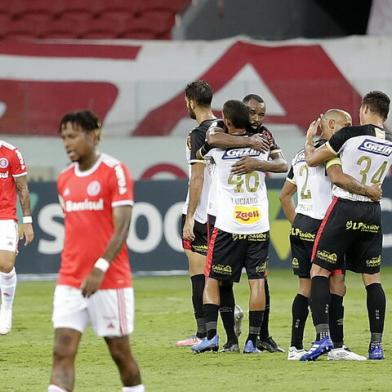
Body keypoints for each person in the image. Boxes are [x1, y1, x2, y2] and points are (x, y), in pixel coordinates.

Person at [48, 111, 144, 392]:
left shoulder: (114, 171)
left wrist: (100, 267)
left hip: (110, 280)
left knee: (120, 353)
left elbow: (122, 227)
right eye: (64, 137)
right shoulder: (64, 179)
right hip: (70, 279)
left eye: (73, 136)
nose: (67, 143)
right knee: (62, 350)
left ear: (92, 135)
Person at [280, 109, 380, 361]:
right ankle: (332, 343)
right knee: (334, 285)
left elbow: (284, 195)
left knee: (310, 287)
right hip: (326, 225)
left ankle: (297, 347)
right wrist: (368, 191)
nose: (350, 129)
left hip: (302, 224)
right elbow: (340, 179)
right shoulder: (334, 151)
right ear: (332, 125)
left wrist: (296, 225)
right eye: (346, 125)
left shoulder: (301, 154)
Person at [300, 91, 391, 361]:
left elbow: (314, 160)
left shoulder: (349, 134)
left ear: (364, 108)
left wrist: (308, 141)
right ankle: (376, 346)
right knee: (372, 279)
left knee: (319, 269)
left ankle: (323, 338)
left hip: (346, 206)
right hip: (373, 211)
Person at [202, 93, 287, 353]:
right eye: (252, 112)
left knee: (215, 279)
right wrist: (248, 143)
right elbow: (214, 136)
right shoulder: (251, 138)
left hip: (230, 223)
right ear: (243, 111)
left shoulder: (256, 138)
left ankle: (220, 337)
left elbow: (208, 144)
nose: (257, 118)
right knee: (255, 280)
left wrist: (257, 163)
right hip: (256, 222)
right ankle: (242, 340)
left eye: (261, 114)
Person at [0, 140, 34, 335]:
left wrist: (27, 221)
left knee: (5, 264)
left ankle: (6, 308)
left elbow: (22, 188)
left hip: (5, 216)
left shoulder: (11, 153)